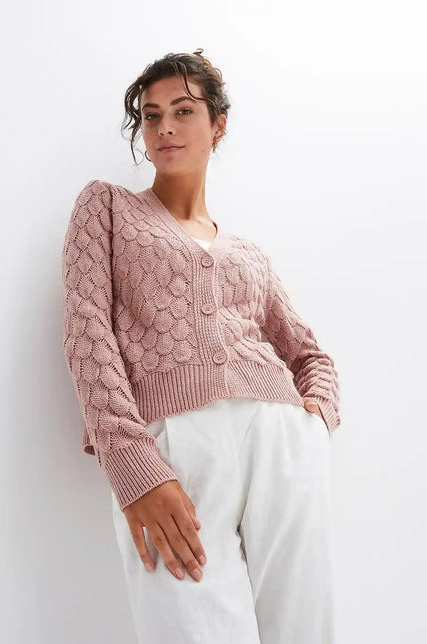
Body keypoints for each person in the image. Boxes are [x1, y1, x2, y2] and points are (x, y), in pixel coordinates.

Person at [61, 49, 341, 644]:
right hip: (174, 451)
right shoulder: (107, 208)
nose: (164, 126)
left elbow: (309, 354)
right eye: (152, 114)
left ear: (218, 124)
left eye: (183, 111)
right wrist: (133, 467)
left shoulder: (248, 253)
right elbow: (87, 333)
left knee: (304, 630)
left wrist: (314, 422)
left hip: (280, 440)